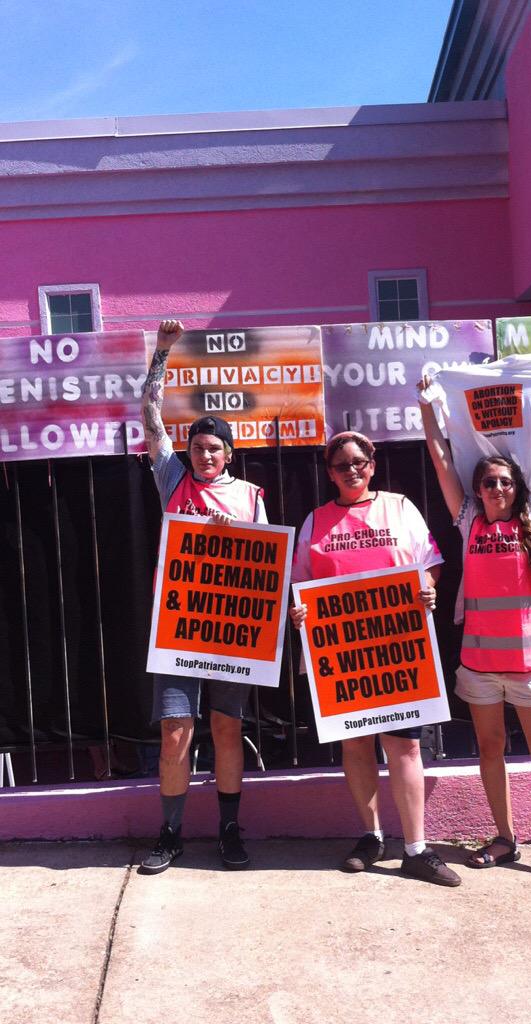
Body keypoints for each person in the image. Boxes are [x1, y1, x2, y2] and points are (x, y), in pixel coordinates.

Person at [418, 369, 531, 894]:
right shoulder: (468, 518)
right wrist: (427, 403)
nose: (496, 488)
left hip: (529, 667)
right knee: (489, 751)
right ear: (477, 490)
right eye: (488, 482)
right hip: (477, 665)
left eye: (504, 482)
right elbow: (440, 456)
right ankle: (504, 837)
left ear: (517, 488)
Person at [290, 431, 461, 887]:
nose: (352, 470)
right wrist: (299, 610)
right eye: (341, 465)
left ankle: (416, 849)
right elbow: (299, 584)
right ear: (329, 473)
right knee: (356, 745)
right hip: (343, 656)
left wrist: (428, 587)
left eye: (358, 462)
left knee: (404, 745)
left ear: (372, 464)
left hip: (398, 648)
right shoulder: (315, 521)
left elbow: (431, 562)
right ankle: (371, 837)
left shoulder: (400, 507)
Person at [139, 319, 267, 875]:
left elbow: (268, 567)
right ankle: (169, 834)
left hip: (233, 630)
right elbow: (149, 418)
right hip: (179, 628)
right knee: (175, 731)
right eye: (197, 447)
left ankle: (230, 830)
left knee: (225, 729)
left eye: (214, 449)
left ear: (230, 455)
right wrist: (162, 355)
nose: (204, 456)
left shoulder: (249, 497)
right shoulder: (172, 479)